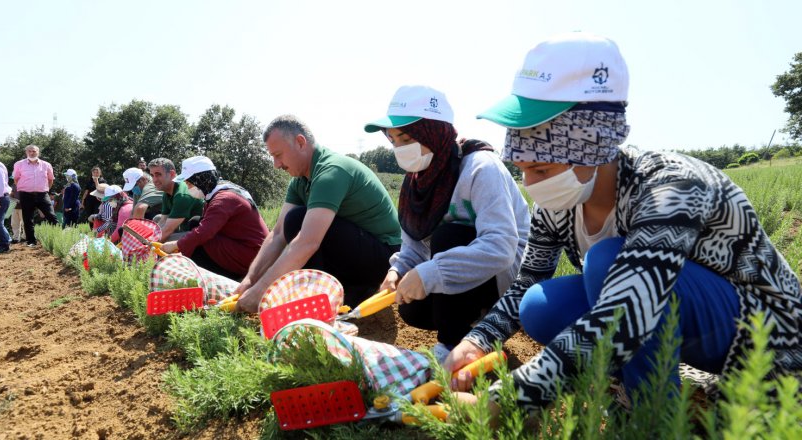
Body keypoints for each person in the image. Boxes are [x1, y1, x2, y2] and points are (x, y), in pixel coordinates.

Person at [444, 32, 802, 414]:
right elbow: (529, 280)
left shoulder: (673, 186)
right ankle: (632, 375)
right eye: (523, 171)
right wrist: (479, 339)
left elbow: (629, 306)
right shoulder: (559, 202)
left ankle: (650, 414)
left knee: (607, 261)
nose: (532, 186)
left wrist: (509, 400)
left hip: (765, 336)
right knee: (539, 305)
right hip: (678, 323)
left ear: (592, 147)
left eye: (541, 168)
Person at [364, 85, 530, 361]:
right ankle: (469, 324)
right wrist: (398, 271)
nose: (399, 149)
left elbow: (501, 246)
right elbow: (413, 247)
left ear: (433, 130)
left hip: (508, 280)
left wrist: (431, 273)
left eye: (406, 138)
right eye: (393, 140)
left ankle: (451, 344)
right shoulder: (415, 182)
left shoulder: (480, 167)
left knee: (449, 236)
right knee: (411, 308)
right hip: (468, 278)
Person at [234, 115, 402, 312]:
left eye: (278, 155)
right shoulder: (300, 180)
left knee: (297, 220)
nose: (276, 164)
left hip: (385, 258)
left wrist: (261, 291)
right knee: (292, 222)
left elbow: (307, 242)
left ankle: (344, 293)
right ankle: (337, 291)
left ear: (300, 142)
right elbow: (278, 233)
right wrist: (249, 281)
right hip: (356, 249)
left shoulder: (331, 171)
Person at [159, 156, 269, 280]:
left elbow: (204, 232)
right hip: (246, 247)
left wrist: (177, 244)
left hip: (250, 255)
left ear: (202, 179)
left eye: (189, 183)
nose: (188, 187)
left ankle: (221, 278)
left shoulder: (224, 198)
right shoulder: (219, 190)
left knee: (197, 243)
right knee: (195, 224)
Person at [147, 158, 204, 241]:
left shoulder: (182, 194)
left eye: (158, 174)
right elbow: (163, 220)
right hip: (186, 229)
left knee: (165, 239)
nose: (154, 180)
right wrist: (147, 236)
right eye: (152, 175)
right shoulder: (167, 192)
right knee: (158, 218)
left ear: (172, 174)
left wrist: (144, 245)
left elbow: (167, 231)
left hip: (200, 234)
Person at [13, 144, 58, 246]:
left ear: (38, 152)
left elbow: (50, 180)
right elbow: (16, 179)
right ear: (26, 152)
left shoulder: (46, 165)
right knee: (28, 219)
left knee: (51, 216)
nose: (32, 153)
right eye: (30, 151)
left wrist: (45, 189)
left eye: (34, 151)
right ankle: (31, 241)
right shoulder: (19, 164)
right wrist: (24, 188)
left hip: (42, 194)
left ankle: (59, 238)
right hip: (26, 195)